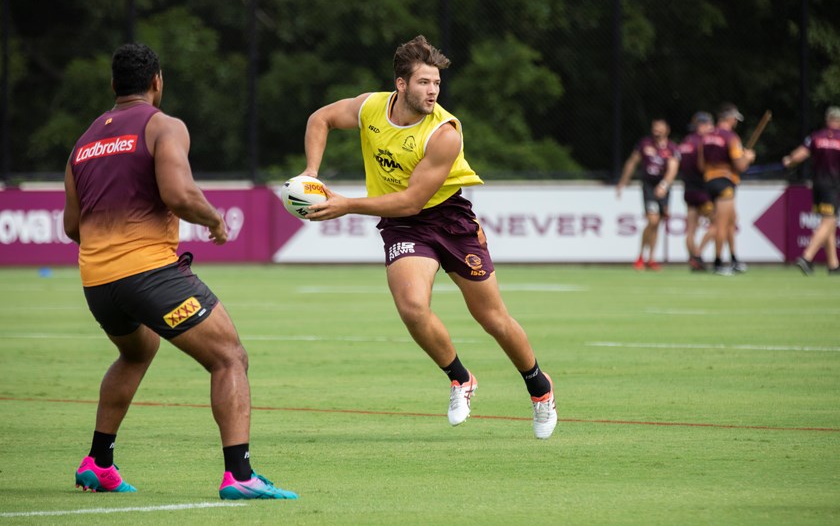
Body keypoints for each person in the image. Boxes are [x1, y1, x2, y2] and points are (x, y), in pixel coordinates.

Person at [63, 43, 297, 499]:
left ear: (114, 86)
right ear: (157, 82)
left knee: (135, 353)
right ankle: (241, 476)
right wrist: (213, 219)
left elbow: (72, 226)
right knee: (229, 356)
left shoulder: (84, 142)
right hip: (149, 274)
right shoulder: (163, 125)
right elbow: (179, 194)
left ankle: (98, 462)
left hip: (96, 281)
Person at [299, 35, 557, 439]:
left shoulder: (445, 134)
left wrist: (346, 204)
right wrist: (311, 175)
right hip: (404, 226)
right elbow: (321, 118)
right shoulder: (371, 107)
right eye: (423, 82)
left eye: (436, 83)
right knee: (413, 307)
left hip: (447, 219)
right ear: (401, 85)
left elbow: (412, 201)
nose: (432, 90)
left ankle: (539, 388)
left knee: (491, 318)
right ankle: (460, 379)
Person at [698, 103, 755, 275]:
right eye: (735, 120)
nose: (736, 123)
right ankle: (718, 262)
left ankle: (733, 258)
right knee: (721, 224)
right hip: (725, 182)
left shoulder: (706, 137)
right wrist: (749, 158)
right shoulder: (731, 137)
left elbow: (701, 164)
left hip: (709, 181)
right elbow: (740, 165)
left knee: (731, 220)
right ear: (730, 119)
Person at [782, 105, 840, 275]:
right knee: (829, 222)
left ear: (827, 120)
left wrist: (789, 160)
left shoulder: (816, 136)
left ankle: (833, 264)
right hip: (833, 185)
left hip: (818, 185)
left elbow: (799, 156)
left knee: (825, 221)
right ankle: (806, 258)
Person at [616, 118, 680, 271]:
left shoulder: (671, 148)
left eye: (660, 127)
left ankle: (651, 258)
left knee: (658, 223)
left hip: (663, 186)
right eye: (655, 127)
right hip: (649, 186)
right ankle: (640, 256)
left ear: (667, 130)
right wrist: (622, 182)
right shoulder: (645, 144)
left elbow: (673, 169)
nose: (656, 130)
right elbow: (632, 162)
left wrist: (664, 185)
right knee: (652, 220)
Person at [677, 112, 716, 271]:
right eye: (709, 125)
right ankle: (698, 255)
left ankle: (693, 260)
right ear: (702, 125)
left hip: (688, 191)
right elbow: (704, 167)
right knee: (718, 223)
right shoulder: (703, 143)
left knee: (691, 230)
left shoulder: (685, 142)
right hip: (702, 191)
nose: (712, 128)